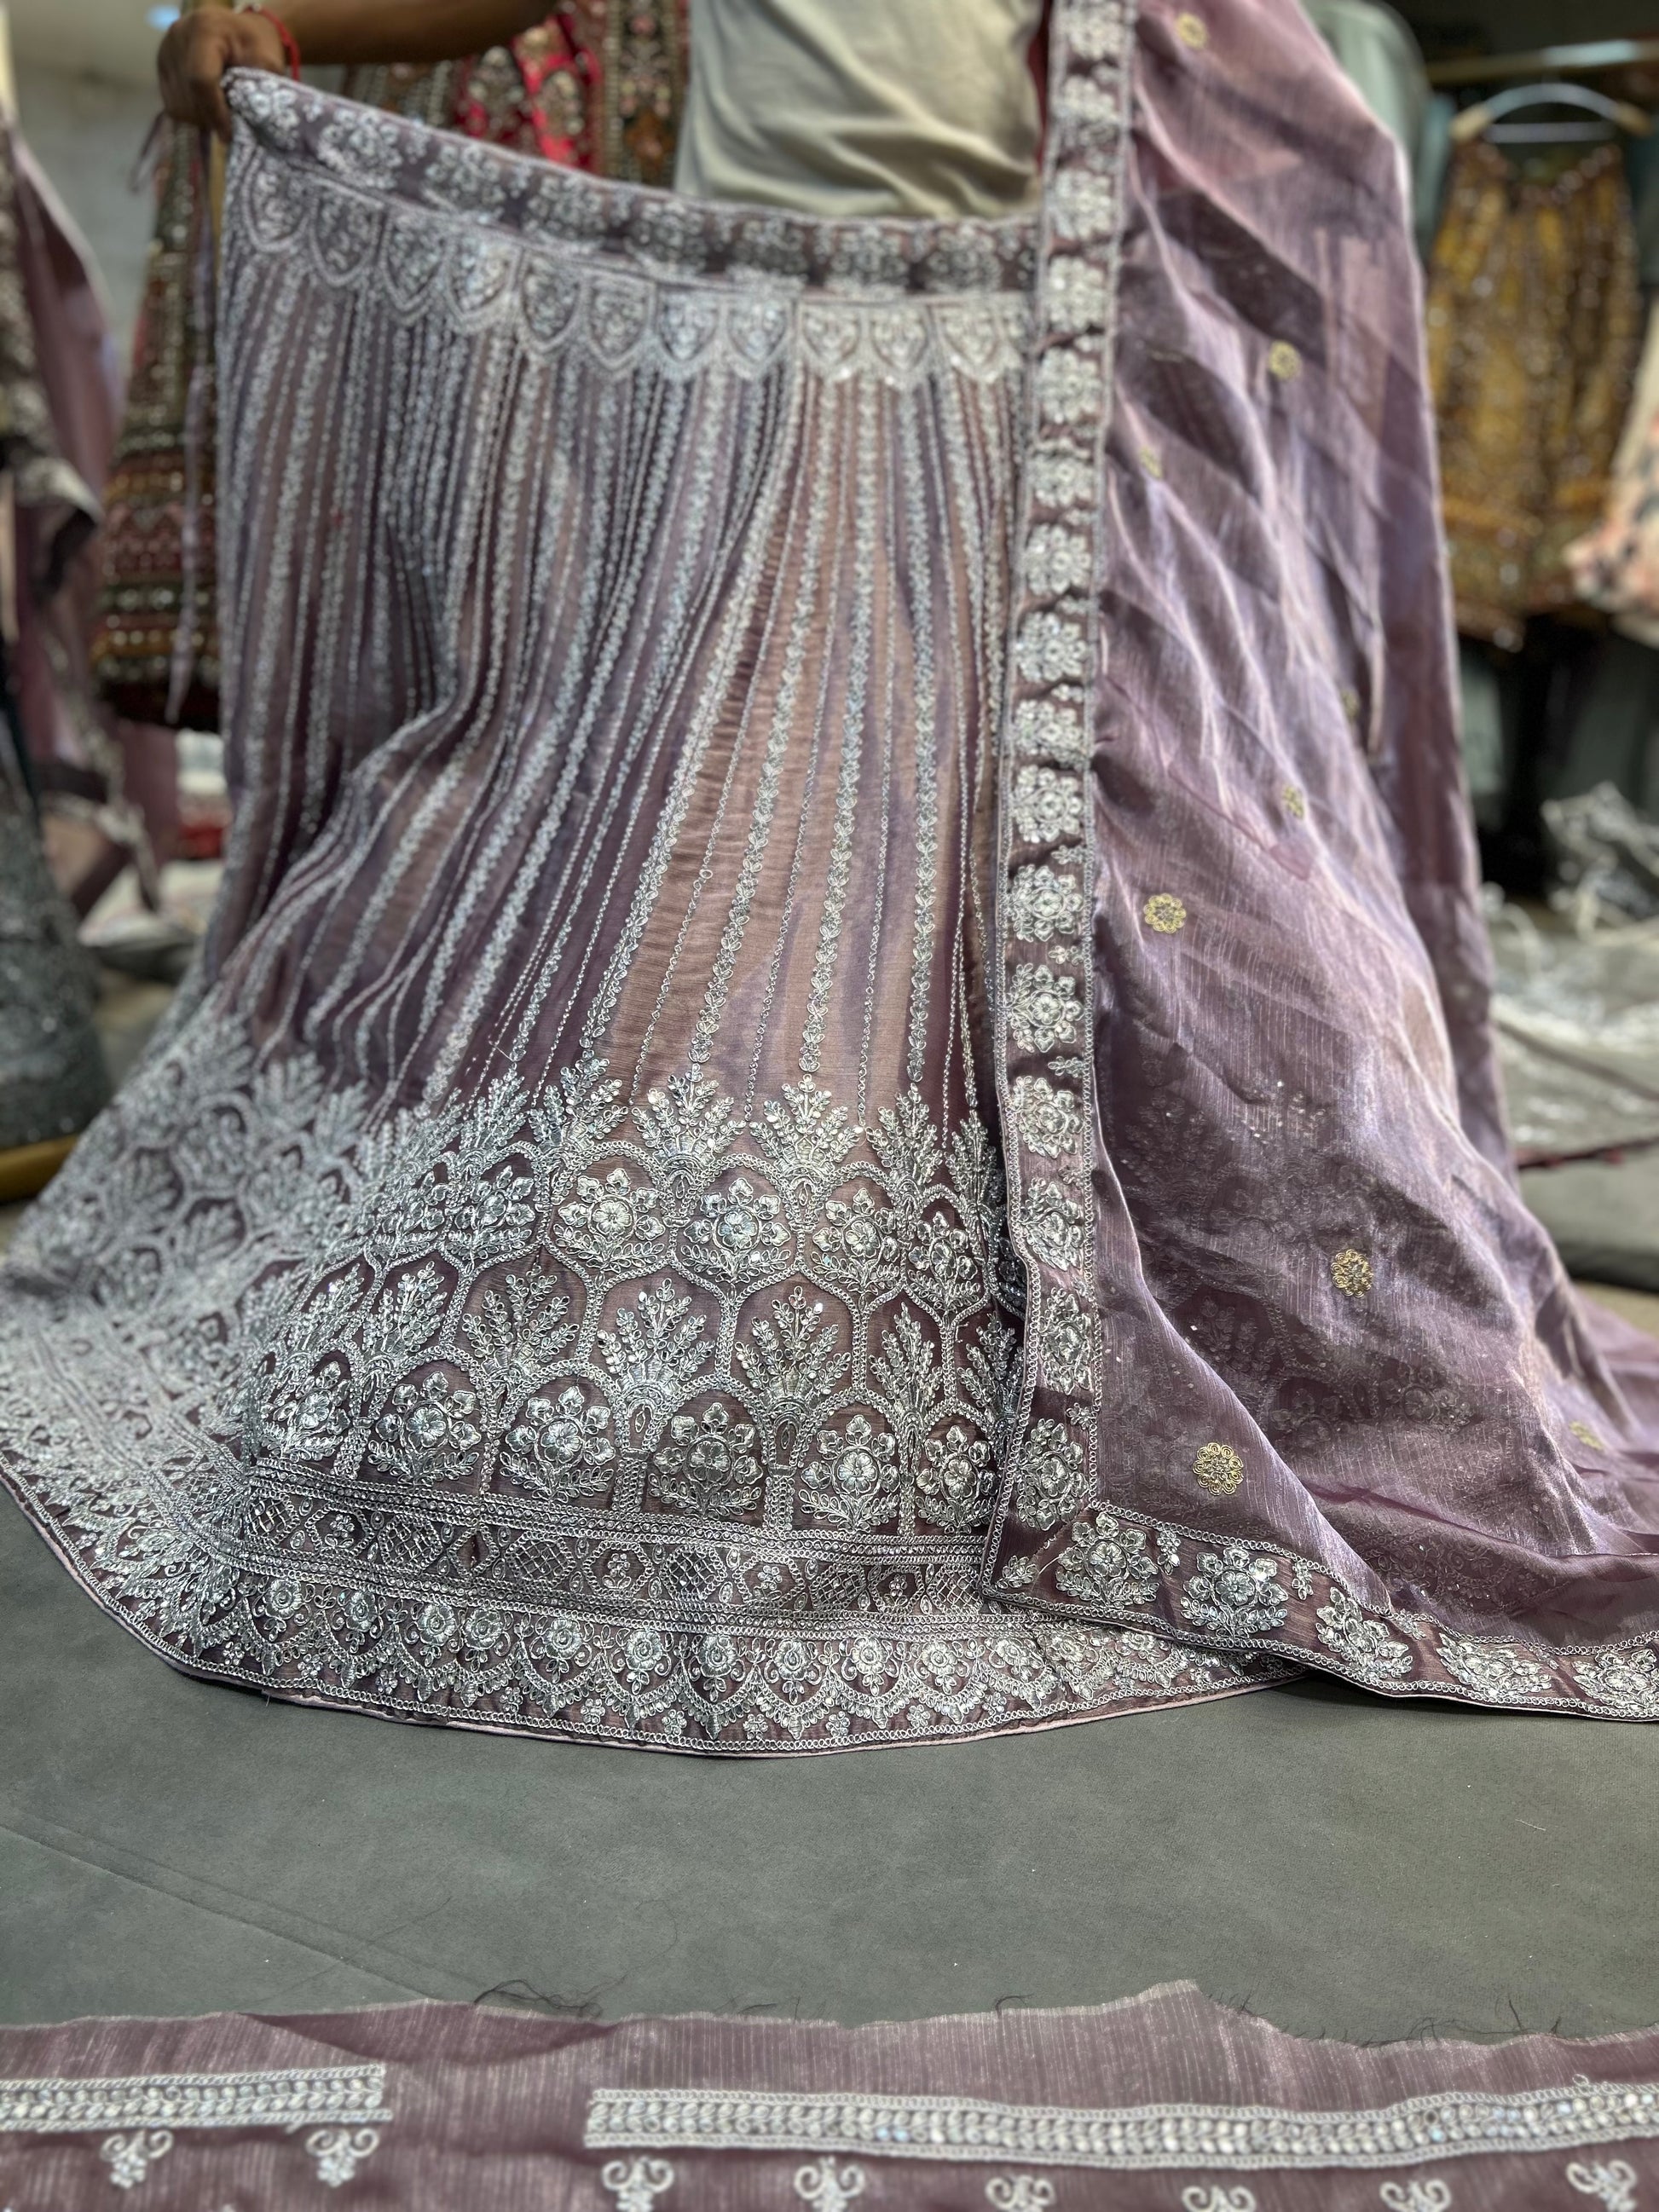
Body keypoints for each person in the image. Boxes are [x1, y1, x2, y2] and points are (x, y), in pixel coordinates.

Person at [3, 0, 1656, 1754]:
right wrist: (290, 24)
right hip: (752, 395)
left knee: (1038, 916)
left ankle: (1038, 1357)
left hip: (1007, 412)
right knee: (706, 899)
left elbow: (1219, 76)